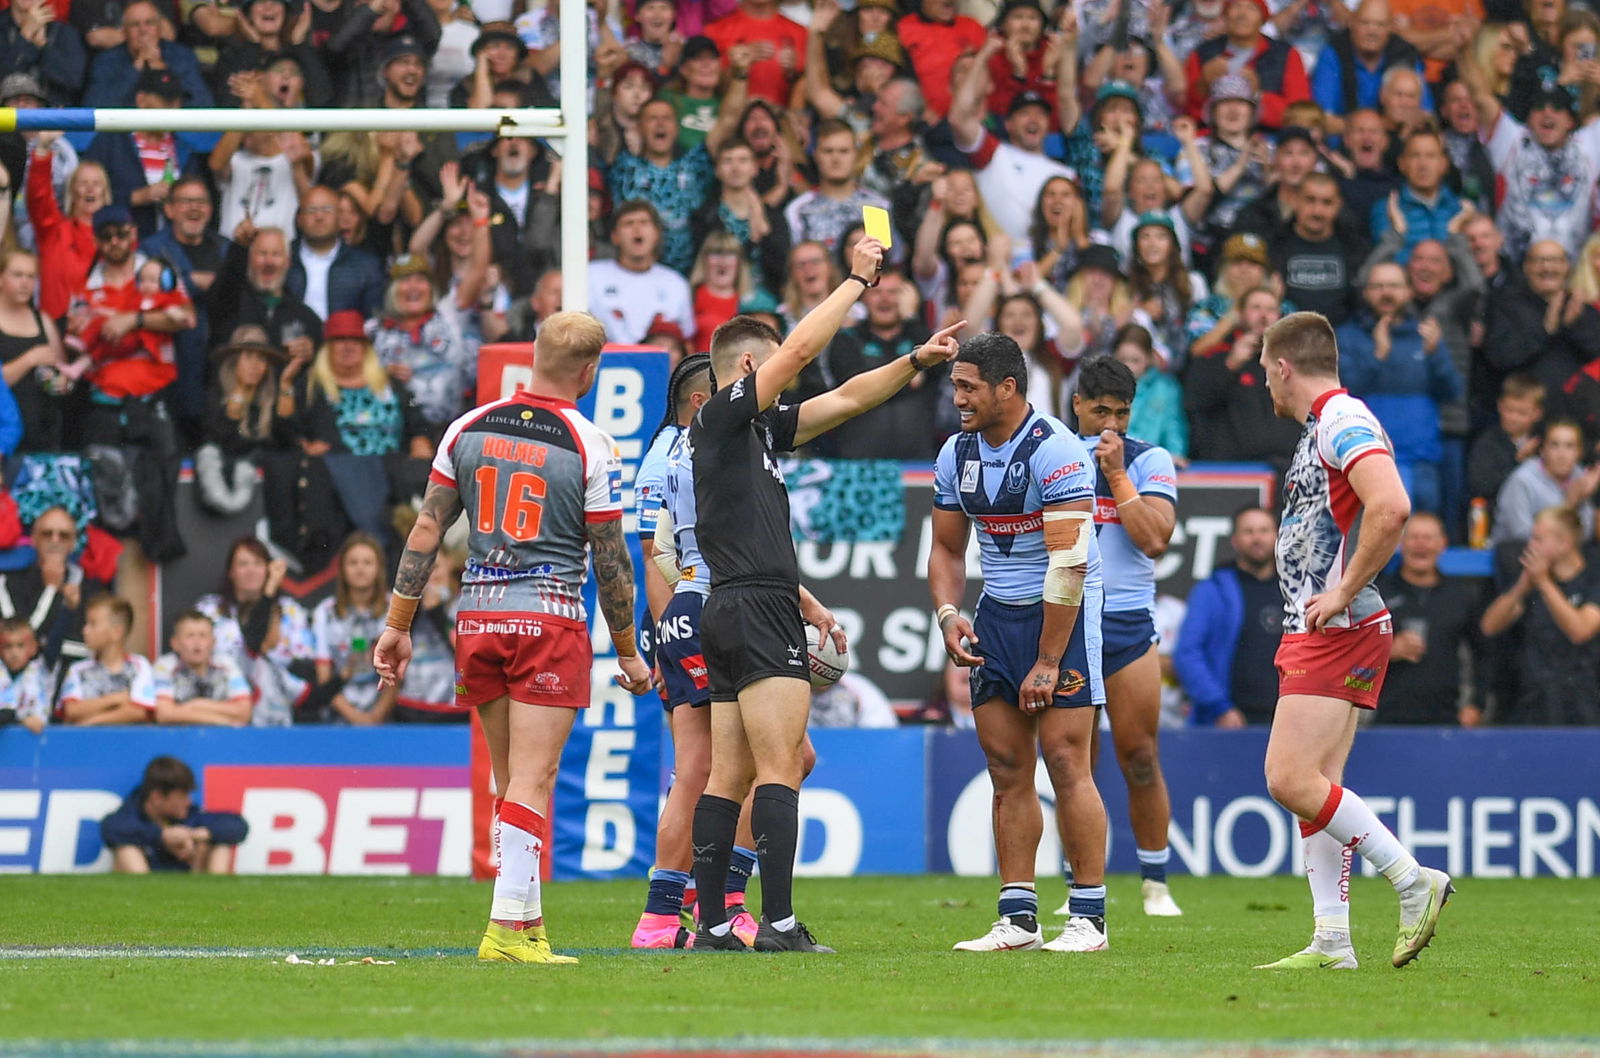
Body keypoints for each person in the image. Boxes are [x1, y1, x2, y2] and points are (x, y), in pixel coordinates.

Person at [687, 239, 959, 954]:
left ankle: (713, 923)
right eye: (772, 360)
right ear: (750, 368)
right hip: (754, 606)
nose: (785, 368)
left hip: (732, 606)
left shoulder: (755, 434)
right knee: (780, 768)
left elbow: (842, 399)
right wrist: (855, 282)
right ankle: (777, 923)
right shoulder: (718, 420)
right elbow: (804, 354)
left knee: (729, 773)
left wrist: (914, 363)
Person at [374, 311, 653, 965]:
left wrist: (397, 624)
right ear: (589, 372)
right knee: (536, 777)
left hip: (478, 617)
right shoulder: (589, 443)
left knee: (510, 780)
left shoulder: (466, 429)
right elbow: (612, 560)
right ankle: (503, 930)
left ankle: (527, 925)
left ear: (532, 355)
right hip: (548, 620)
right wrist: (628, 651)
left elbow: (425, 533)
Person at [1253, 310, 1452, 972]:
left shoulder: (1342, 418)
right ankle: (1333, 939)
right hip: (1327, 622)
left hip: (1339, 624)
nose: (1265, 386)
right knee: (1319, 785)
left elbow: (1391, 505)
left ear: (1284, 366)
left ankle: (1411, 879)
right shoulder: (1328, 424)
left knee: (1287, 777)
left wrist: (1340, 593)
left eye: (1265, 371)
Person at [928, 328, 1109, 955]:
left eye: (967, 385)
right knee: (1006, 770)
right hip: (997, 616)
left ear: (1008, 387)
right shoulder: (956, 453)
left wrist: (1048, 661)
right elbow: (947, 547)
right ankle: (1020, 920)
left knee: (1066, 762)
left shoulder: (1056, 451)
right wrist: (950, 614)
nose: (958, 397)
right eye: (955, 385)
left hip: (1062, 613)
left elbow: (1069, 566)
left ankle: (1088, 918)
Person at [1068, 357, 1183, 917]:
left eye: (1120, 413)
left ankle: (1155, 882)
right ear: (1077, 406)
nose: (1110, 424)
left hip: (1127, 623)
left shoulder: (1148, 460)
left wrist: (1116, 476)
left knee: (1139, 755)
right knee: (1075, 762)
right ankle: (1080, 884)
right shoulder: (1055, 457)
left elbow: (1155, 539)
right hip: (1069, 619)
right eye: (1099, 411)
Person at [1480, 504, 1600, 725]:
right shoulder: (1530, 582)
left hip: (1586, 703)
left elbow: (1580, 630)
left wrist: (1544, 583)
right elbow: (1489, 626)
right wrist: (1522, 587)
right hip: (1535, 702)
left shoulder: (1593, 578)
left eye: (1538, 539)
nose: (1530, 545)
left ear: (1564, 543)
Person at [1174, 506, 1283, 727]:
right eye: (1248, 531)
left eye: (1264, 530)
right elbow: (1188, 653)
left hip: (1286, 720)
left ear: (1278, 536)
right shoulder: (1212, 590)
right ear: (1234, 540)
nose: (1257, 538)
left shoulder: (1295, 590)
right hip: (1228, 721)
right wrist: (1219, 708)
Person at [1374, 514, 1484, 726]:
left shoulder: (1461, 594)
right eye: (1414, 537)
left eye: (1428, 538)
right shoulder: (1377, 593)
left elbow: (1483, 653)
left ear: (1443, 544)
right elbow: (1350, 651)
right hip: (1387, 718)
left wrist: (1476, 705)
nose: (1421, 544)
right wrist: (1387, 651)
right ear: (1401, 543)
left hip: (1447, 717)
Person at [101, 756, 248, 874]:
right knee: (126, 849)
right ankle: (141, 897)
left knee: (219, 844)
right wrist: (161, 836)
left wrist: (198, 834)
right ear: (157, 797)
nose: (188, 801)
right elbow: (110, 829)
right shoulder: (130, 813)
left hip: (190, 883)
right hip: (144, 882)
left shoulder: (189, 814)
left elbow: (238, 826)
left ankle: (217, 898)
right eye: (182, 796)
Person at [1490, 419, 1598, 545]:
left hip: (1564, 556)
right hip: (1517, 554)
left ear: (1579, 453)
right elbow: (1522, 535)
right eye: (1554, 445)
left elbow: (1585, 534)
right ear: (1543, 450)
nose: (1561, 454)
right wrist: (1570, 504)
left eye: (1569, 446)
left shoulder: (1580, 477)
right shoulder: (1522, 480)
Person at [58, 594, 158, 726]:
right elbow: (72, 711)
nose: (85, 630)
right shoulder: (78, 669)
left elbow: (139, 711)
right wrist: (116, 699)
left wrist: (91, 721)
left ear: (116, 632)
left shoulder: (139, 665)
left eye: (93, 624)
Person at [152, 611, 253, 726]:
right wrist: (221, 720)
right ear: (175, 643)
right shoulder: (164, 666)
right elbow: (164, 714)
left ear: (213, 642)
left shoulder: (225, 664)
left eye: (203, 635)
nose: (197, 642)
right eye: (190, 635)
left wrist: (196, 705)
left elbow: (244, 712)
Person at [1468, 373, 1544, 521]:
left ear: (1537, 413)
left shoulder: (1544, 443)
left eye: (1521, 412)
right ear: (1500, 406)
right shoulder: (1486, 443)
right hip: (1498, 520)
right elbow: (1480, 487)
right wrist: (1518, 462)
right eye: (1509, 410)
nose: (1514, 418)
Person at [0, 618, 51, 734]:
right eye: (8, 646)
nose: (14, 653)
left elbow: (57, 637)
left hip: (36, 744)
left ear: (33, 647)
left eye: (20, 646)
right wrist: (21, 720)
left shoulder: (43, 668)